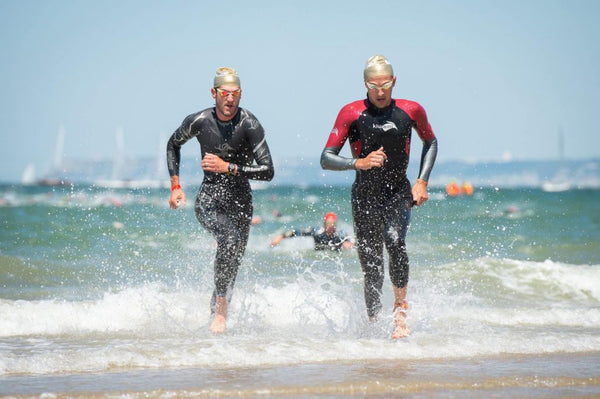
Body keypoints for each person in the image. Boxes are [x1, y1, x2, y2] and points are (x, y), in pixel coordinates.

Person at [320, 55, 438, 339]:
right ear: (365, 84)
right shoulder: (350, 113)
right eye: (374, 86)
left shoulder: (411, 111)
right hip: (364, 196)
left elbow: (430, 141)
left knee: (395, 241)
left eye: (385, 84)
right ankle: (373, 324)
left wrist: (422, 181)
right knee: (371, 265)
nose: (381, 91)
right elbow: (326, 157)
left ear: (394, 82)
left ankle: (399, 313)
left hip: (398, 191)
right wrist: (356, 163)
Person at [166, 67, 274, 334]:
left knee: (233, 257)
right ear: (214, 93)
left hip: (240, 200)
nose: (230, 99)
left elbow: (268, 170)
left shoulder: (250, 124)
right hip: (209, 198)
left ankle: (216, 308)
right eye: (225, 94)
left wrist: (228, 167)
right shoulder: (200, 121)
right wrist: (175, 186)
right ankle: (222, 315)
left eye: (235, 94)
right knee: (228, 239)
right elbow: (172, 144)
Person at [270, 212, 354, 251]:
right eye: (329, 223)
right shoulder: (317, 232)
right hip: (319, 256)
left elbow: (351, 243)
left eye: (333, 223)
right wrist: (281, 237)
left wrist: (348, 244)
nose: (331, 226)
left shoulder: (340, 234)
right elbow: (296, 232)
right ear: (324, 224)